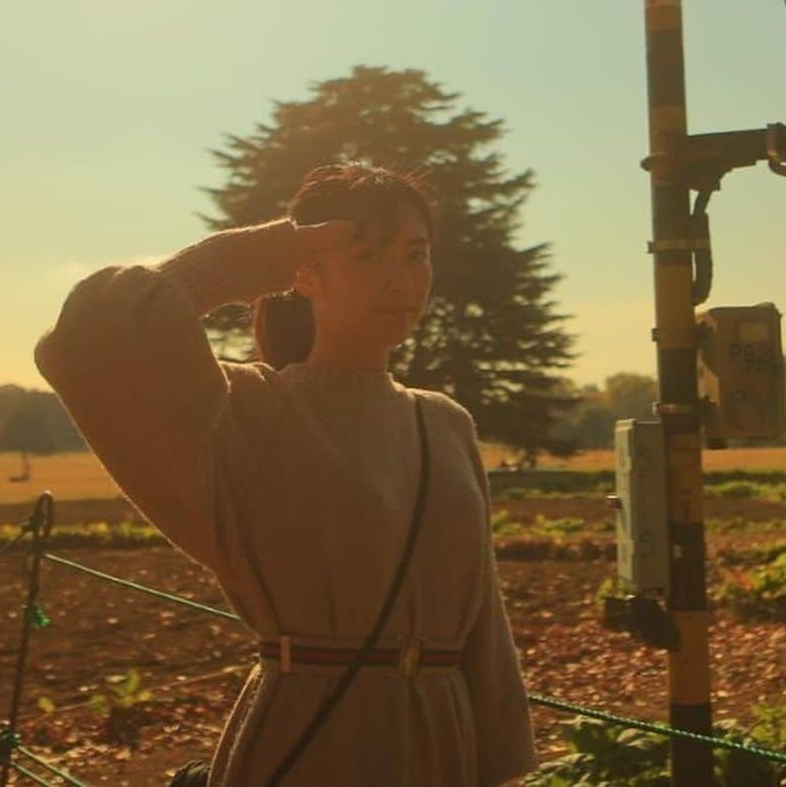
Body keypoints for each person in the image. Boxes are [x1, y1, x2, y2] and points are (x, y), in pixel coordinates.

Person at [35, 162, 537, 786]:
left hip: (443, 743)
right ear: (307, 272)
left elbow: (483, 622)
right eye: (369, 255)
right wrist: (250, 258)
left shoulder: (444, 422)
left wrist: (505, 765)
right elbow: (83, 340)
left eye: (415, 256)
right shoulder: (250, 408)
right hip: (312, 738)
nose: (400, 280)